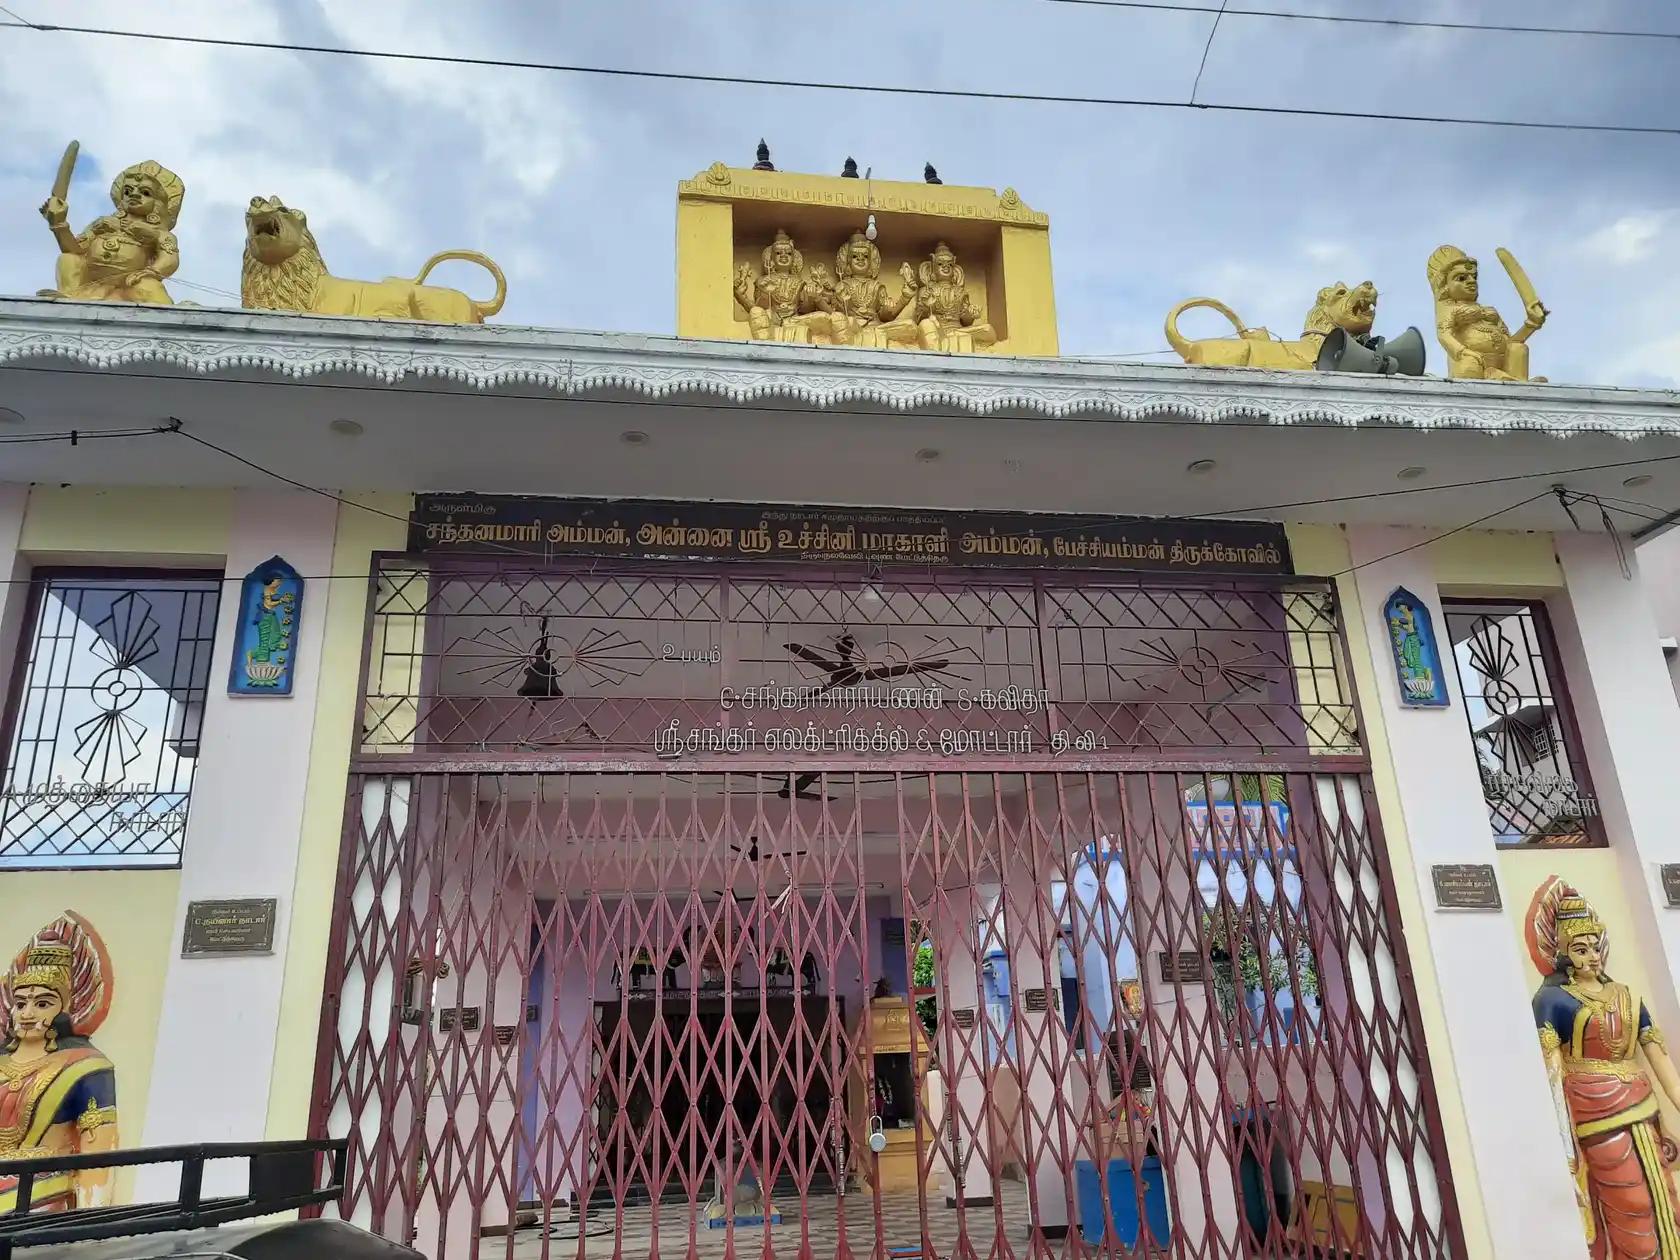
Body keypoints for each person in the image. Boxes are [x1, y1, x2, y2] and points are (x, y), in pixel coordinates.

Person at [1529, 877, 1680, 1259]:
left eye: (1596, 946)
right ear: (1563, 954)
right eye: (1581, 949)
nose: (1592, 956)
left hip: (1644, 1108)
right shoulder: (1552, 1000)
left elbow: (1659, 1057)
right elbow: (1551, 1071)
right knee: (1632, 1204)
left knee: (1666, 1197)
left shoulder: (1627, 995)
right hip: (1595, 1114)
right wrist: (1562, 1143)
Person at [0, 913, 119, 1213]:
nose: (27, 1013)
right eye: (21, 1003)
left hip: (41, 1194)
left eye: (42, 1003)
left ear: (64, 1010)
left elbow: (98, 1151)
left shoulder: (86, 1067)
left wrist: (91, 1223)